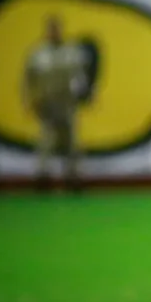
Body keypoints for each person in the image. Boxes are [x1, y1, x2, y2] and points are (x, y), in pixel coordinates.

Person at [24, 17, 89, 192]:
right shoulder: (38, 54)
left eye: (57, 29)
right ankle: (42, 178)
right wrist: (31, 100)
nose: (55, 33)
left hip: (67, 104)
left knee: (72, 143)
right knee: (46, 142)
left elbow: (80, 77)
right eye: (52, 29)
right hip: (46, 105)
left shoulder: (71, 52)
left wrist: (82, 94)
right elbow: (29, 80)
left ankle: (73, 177)